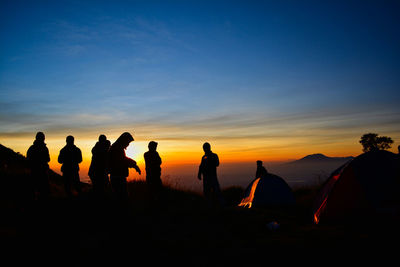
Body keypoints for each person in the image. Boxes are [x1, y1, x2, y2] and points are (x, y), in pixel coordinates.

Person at [108, 132, 141, 200]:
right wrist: (134, 165)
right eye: (128, 142)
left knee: (120, 196)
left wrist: (134, 165)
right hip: (117, 176)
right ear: (124, 140)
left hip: (117, 175)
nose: (128, 144)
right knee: (121, 197)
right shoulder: (117, 148)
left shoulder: (117, 147)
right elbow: (123, 160)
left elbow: (124, 159)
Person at [198, 142, 223, 206]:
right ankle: (208, 205)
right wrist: (199, 173)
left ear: (209, 148)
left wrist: (210, 162)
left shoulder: (214, 155)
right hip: (206, 178)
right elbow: (201, 166)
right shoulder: (204, 157)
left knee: (216, 191)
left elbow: (217, 164)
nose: (205, 149)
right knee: (207, 192)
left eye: (206, 147)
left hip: (212, 177)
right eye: (204, 148)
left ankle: (219, 204)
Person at [26, 132, 50, 200]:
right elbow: (48, 159)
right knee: (44, 189)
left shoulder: (32, 148)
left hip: (34, 170)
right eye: (43, 138)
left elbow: (28, 158)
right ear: (43, 139)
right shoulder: (45, 148)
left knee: (34, 188)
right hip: (42, 171)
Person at [144, 141, 163, 206]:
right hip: (152, 175)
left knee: (156, 190)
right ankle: (153, 204)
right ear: (151, 147)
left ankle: (154, 203)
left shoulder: (153, 153)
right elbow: (159, 161)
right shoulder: (148, 154)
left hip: (155, 175)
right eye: (155, 147)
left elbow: (159, 162)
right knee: (153, 190)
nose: (155, 148)